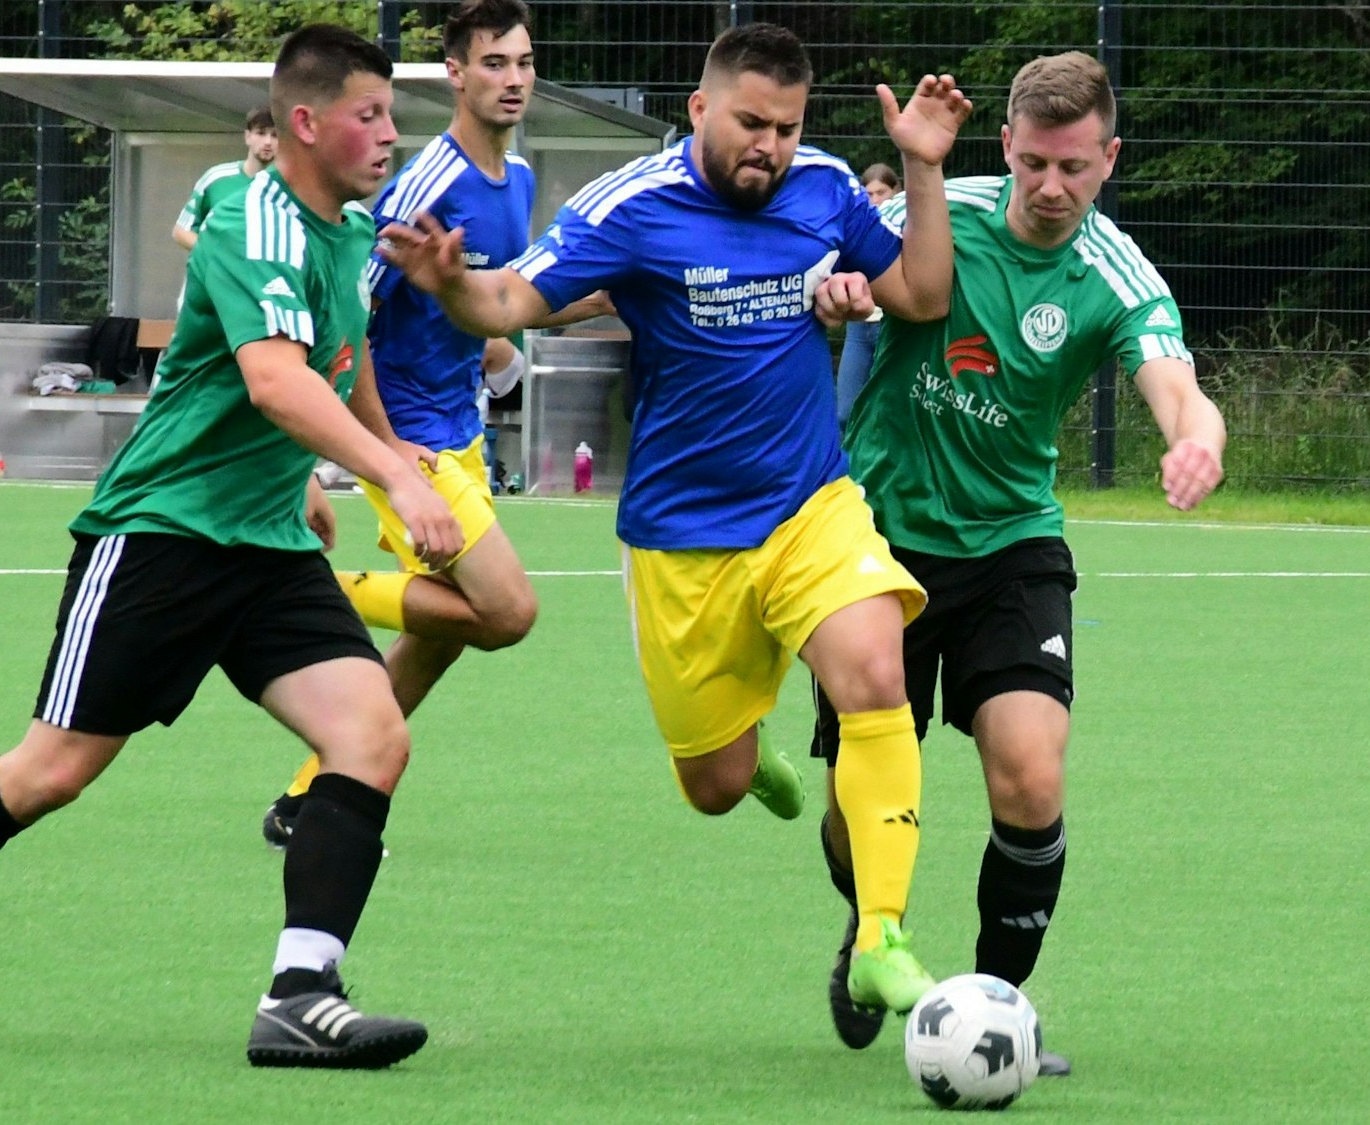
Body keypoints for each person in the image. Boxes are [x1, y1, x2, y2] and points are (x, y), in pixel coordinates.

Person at [0, 26, 463, 1069]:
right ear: (303, 122)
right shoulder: (250, 217)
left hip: (264, 544)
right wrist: (394, 478)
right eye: (367, 115)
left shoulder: (349, 228)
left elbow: (341, 357)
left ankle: (299, 990)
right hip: (161, 537)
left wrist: (355, 455)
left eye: (388, 114)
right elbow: (276, 379)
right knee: (49, 773)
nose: (388, 133)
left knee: (371, 734)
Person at [380, 22, 971, 1018]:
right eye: (749, 122)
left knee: (876, 670)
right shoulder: (633, 203)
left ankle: (878, 938)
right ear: (700, 110)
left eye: (784, 127)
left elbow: (919, 291)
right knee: (711, 783)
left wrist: (919, 168)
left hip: (806, 505)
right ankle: (748, 741)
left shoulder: (824, 186)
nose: (768, 147)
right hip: (681, 540)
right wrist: (448, 286)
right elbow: (514, 297)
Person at [810, 51, 1227, 1072]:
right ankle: (872, 932)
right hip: (877, 540)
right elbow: (836, 275)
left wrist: (1195, 438)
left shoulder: (1112, 271)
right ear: (1004, 145)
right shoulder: (932, 204)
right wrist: (834, 294)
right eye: (1034, 162)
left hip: (1012, 545)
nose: (1051, 188)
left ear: (1108, 159)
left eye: (1075, 168)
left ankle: (996, 1009)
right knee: (847, 813)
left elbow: (1172, 380)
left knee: (1031, 783)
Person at [262, 0, 607, 847]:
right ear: (455, 72)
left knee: (444, 634)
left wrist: (598, 299)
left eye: (524, 63)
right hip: (409, 438)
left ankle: (310, 792)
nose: (514, 79)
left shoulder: (516, 177)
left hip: (464, 432)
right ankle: (299, 598)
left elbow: (490, 305)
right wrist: (383, 449)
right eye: (495, 63)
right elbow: (347, 320)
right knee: (507, 612)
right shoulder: (423, 185)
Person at [833, 163, 901, 426]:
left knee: (888, 415)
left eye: (880, 192)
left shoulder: (905, 225)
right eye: (868, 194)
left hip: (891, 326)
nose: (875, 200)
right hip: (859, 329)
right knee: (845, 412)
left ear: (896, 191)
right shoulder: (856, 227)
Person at [171, 105, 279, 251]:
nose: (268, 142)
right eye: (261, 133)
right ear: (247, 137)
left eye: (275, 135)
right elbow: (181, 231)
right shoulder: (216, 178)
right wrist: (219, 256)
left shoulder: (290, 187)